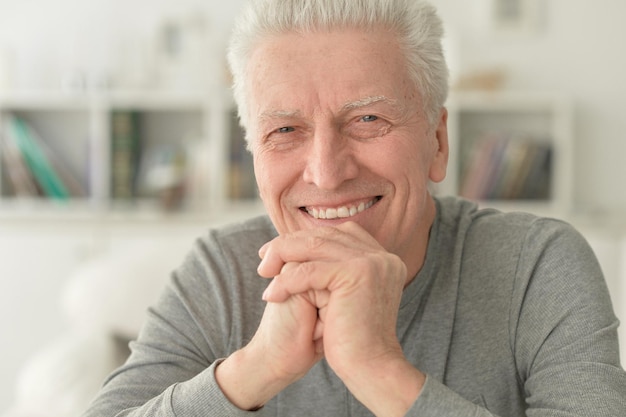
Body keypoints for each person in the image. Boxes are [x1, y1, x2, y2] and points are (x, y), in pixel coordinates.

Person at [83, 0, 626, 415]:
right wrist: (254, 369)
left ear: (438, 142)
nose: (326, 171)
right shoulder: (220, 272)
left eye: (368, 120)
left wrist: (379, 370)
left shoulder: (539, 265)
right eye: (285, 130)